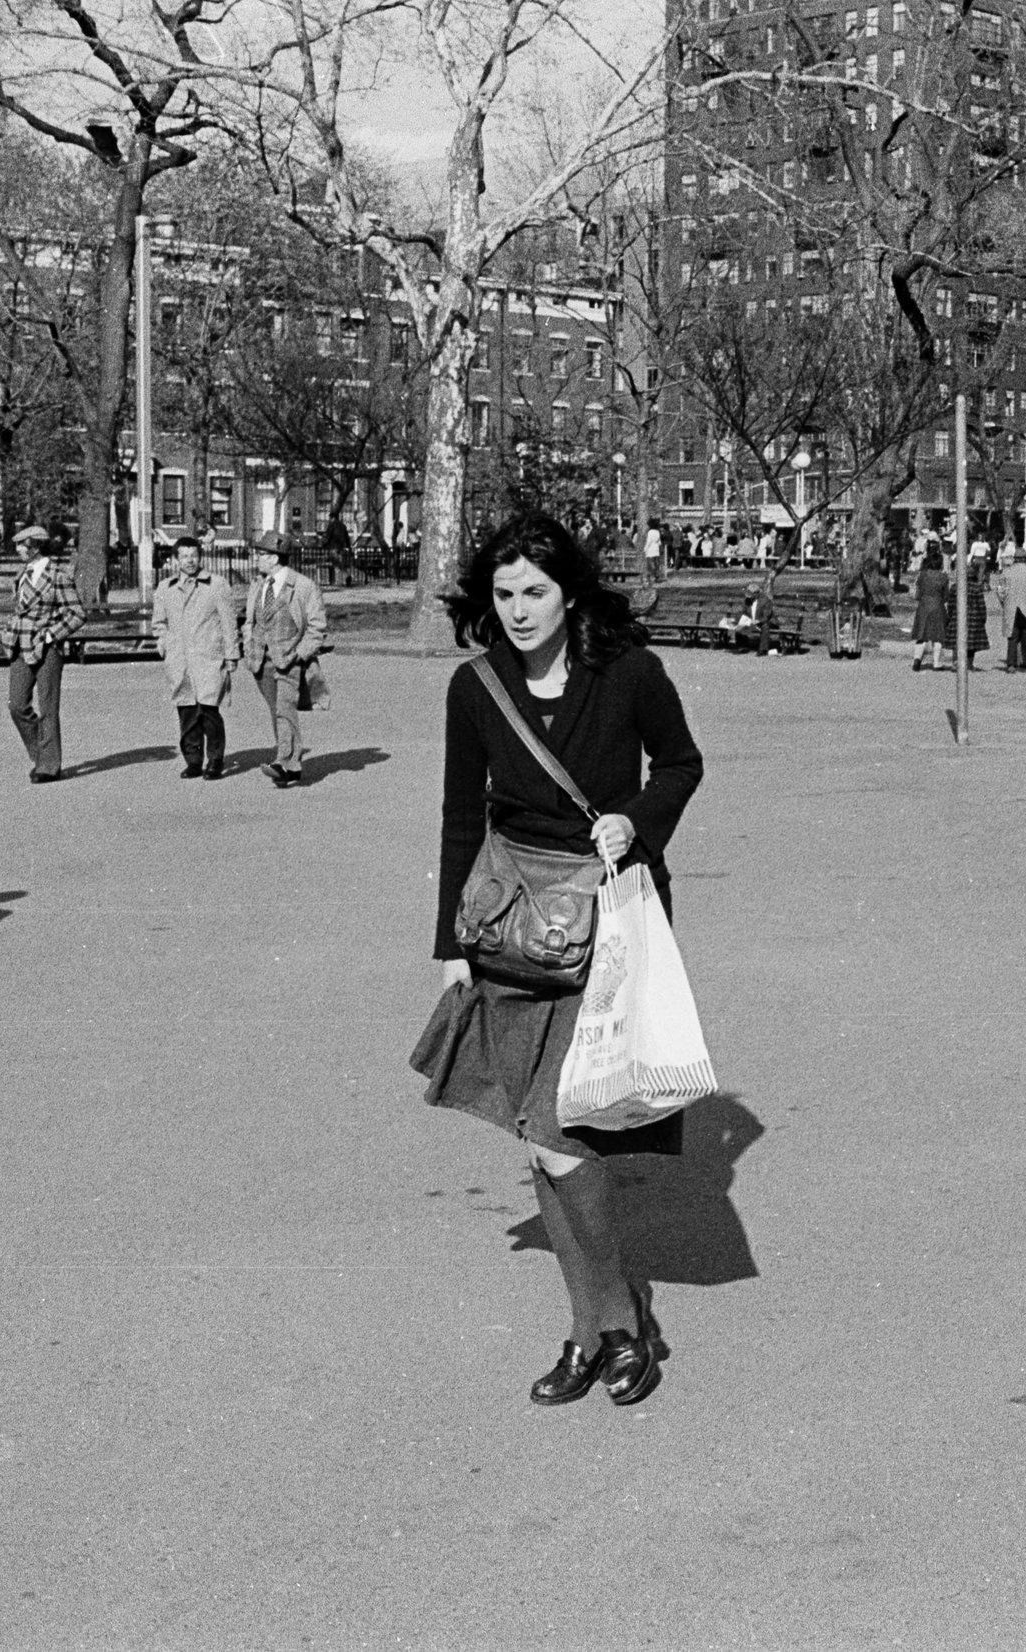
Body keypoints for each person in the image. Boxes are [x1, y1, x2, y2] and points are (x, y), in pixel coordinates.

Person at [419, 512, 704, 1408]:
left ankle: (607, 1327)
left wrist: (638, 820)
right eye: (502, 595)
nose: (517, 611)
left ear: (568, 591)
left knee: (558, 1131)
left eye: (534, 591)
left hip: (609, 918)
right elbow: (462, 814)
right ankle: (603, 1331)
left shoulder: (631, 673)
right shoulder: (477, 689)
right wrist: (449, 948)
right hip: (508, 926)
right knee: (541, 1145)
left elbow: (683, 764)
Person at [239, 530, 329, 788]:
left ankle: (284, 763)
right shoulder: (258, 584)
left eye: (262, 554)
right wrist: (248, 646)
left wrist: (299, 655)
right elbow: (250, 621)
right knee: (277, 711)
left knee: (284, 709)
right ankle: (292, 766)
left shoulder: (303, 586)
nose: (257, 558)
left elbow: (317, 628)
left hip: (289, 660)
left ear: (276, 558)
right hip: (260, 660)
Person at [152, 534, 241, 779]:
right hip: (179, 660)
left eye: (194, 556)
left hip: (209, 657)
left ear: (200, 557)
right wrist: (164, 643)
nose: (189, 561)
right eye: (184, 556)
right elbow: (158, 623)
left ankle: (215, 759)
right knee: (187, 711)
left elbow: (228, 623)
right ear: (175, 560)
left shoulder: (217, 585)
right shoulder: (165, 588)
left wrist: (231, 655)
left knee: (209, 710)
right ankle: (193, 760)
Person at [0, 524, 84, 783]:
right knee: (17, 705)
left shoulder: (58, 575)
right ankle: (42, 754)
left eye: (22, 545)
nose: (18, 550)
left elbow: (77, 614)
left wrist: (50, 635)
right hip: (19, 645)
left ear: (35, 546)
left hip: (47, 649)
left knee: (48, 706)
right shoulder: (21, 574)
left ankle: (49, 765)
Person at [912, 547, 952, 671]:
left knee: (921, 635)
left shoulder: (922, 576)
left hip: (923, 607)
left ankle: (917, 659)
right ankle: (936, 662)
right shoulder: (943, 577)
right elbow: (946, 596)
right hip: (938, 606)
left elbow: (917, 595)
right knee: (938, 636)